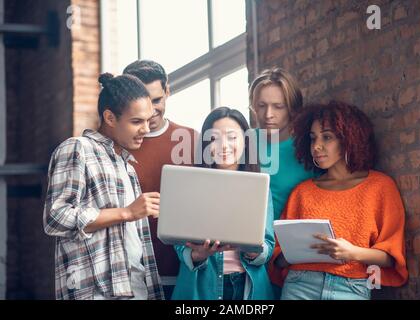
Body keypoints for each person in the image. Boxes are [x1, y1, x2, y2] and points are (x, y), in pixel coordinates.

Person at [270, 101, 408, 300]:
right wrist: (295, 252)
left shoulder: (380, 186)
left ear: (348, 139)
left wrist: (352, 252)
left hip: (352, 288)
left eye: (327, 137)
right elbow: (277, 259)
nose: (317, 146)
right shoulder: (302, 192)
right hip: (299, 285)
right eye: (312, 138)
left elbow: (391, 257)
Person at [43, 73, 164, 300]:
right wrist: (126, 212)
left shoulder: (126, 166)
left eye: (148, 120)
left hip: (136, 290)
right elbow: (55, 218)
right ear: (109, 117)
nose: (146, 129)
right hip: (95, 293)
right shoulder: (77, 149)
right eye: (137, 121)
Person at [171, 107, 274, 300]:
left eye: (232, 137)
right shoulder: (190, 186)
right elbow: (178, 244)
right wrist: (198, 254)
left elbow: (267, 245)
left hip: (246, 287)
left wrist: (251, 249)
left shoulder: (260, 187)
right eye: (214, 139)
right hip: (201, 287)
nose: (223, 146)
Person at [123, 60, 198, 298]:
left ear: (168, 91)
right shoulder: (117, 146)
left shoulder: (192, 140)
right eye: (142, 102)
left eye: (156, 100)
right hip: (132, 277)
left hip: (186, 271)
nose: (151, 110)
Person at [249, 67, 316, 297]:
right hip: (248, 248)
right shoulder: (242, 142)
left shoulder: (309, 149)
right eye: (261, 105)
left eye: (278, 106)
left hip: (291, 254)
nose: (268, 114)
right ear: (252, 106)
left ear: (293, 109)